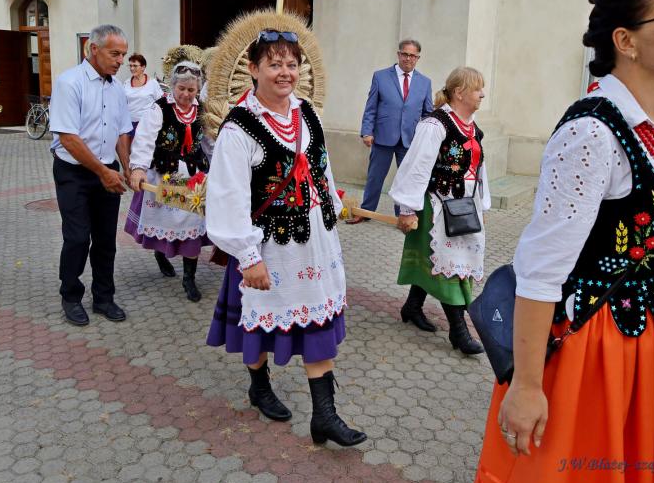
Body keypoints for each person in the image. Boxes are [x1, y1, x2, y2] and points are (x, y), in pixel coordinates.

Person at [474, 0, 654, 483]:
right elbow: (541, 272)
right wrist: (526, 386)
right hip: (593, 346)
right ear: (626, 41)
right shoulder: (591, 133)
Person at [206, 29, 366, 447]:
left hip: (314, 242)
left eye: (292, 64)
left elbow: (321, 168)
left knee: (318, 321)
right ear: (254, 69)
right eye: (274, 64)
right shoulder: (239, 129)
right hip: (268, 246)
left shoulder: (307, 113)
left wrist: (336, 206)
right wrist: (247, 256)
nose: (285, 72)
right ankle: (259, 386)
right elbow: (227, 198)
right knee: (259, 321)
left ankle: (324, 416)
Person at [389, 67, 489, 356]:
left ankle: (412, 306)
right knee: (449, 264)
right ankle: (459, 332)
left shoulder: (473, 126)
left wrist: (483, 203)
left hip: (464, 208)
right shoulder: (435, 125)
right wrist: (408, 208)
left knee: (443, 261)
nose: (482, 94)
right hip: (437, 207)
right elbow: (417, 166)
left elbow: (479, 168)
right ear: (459, 93)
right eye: (477, 89)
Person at [49, 25, 132, 326]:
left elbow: (122, 131)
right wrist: (102, 172)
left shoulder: (117, 88)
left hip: (107, 170)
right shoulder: (69, 82)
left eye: (123, 55)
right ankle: (71, 296)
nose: (120, 61)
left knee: (106, 239)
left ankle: (103, 297)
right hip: (74, 172)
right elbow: (68, 137)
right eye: (115, 53)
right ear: (94, 49)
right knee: (77, 237)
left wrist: (127, 167)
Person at [126, 61, 210, 300]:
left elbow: (210, 143)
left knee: (192, 227)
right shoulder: (158, 109)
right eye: (181, 88)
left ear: (197, 89)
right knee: (168, 223)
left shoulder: (202, 111)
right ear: (173, 86)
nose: (186, 94)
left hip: (194, 179)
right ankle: (161, 254)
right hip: (165, 176)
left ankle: (189, 279)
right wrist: (138, 168)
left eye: (191, 90)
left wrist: (222, 170)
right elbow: (144, 139)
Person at [347, 39, 433, 224]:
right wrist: (367, 132)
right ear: (398, 54)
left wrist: (426, 139)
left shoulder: (425, 83)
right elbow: (371, 108)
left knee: (406, 180)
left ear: (418, 58)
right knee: (375, 177)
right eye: (405, 54)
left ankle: (402, 216)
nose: (408, 58)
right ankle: (366, 211)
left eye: (412, 56)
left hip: (409, 140)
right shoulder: (380, 77)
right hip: (383, 137)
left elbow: (427, 114)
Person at [123, 53, 163, 137]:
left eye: (135, 66)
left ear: (143, 67)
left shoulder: (152, 83)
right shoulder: (126, 83)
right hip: (129, 124)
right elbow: (122, 104)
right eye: (130, 66)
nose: (132, 68)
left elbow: (160, 103)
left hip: (147, 125)